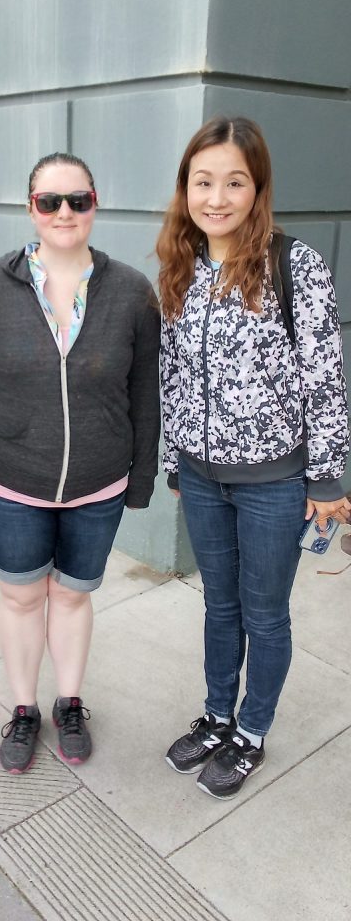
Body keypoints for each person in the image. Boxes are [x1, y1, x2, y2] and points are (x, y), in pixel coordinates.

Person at [157, 116, 350, 799]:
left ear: (256, 186)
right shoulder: (181, 266)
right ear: (186, 188)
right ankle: (216, 715)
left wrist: (327, 481)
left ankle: (252, 730)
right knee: (219, 606)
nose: (216, 196)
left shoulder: (294, 265)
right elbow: (171, 372)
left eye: (233, 181)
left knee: (264, 613)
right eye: (203, 181)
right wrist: (174, 460)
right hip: (203, 478)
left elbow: (325, 377)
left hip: (274, 482)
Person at [0, 151, 161, 773]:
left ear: (95, 204)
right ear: (31, 209)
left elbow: (144, 392)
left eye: (77, 200)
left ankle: (69, 702)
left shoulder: (131, 290)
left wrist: (140, 478)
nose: (64, 213)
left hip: (98, 482)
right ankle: (24, 710)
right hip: (11, 479)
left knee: (74, 598)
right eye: (49, 201)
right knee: (23, 599)